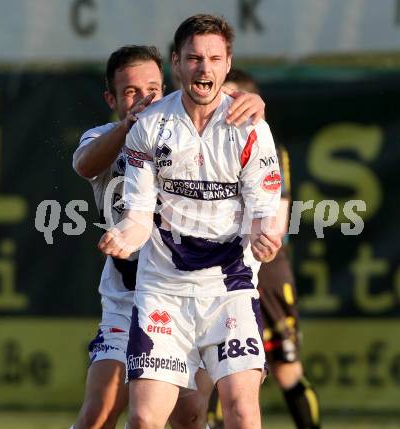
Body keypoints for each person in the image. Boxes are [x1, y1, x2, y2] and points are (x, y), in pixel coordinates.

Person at [99, 14, 282, 429]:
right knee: (145, 418)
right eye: (195, 58)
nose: (205, 68)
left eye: (214, 58)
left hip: (229, 287)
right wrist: (124, 235)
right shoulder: (148, 125)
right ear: (176, 63)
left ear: (228, 64)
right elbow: (140, 215)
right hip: (163, 289)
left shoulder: (251, 126)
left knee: (241, 410)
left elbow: (263, 212)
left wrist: (262, 236)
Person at [207, 69, 321, 429]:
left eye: (233, 99)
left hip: (264, 269)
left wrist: (261, 239)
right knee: (210, 377)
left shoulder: (267, 147)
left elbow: (276, 223)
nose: (223, 107)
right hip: (210, 270)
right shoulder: (195, 143)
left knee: (287, 369)